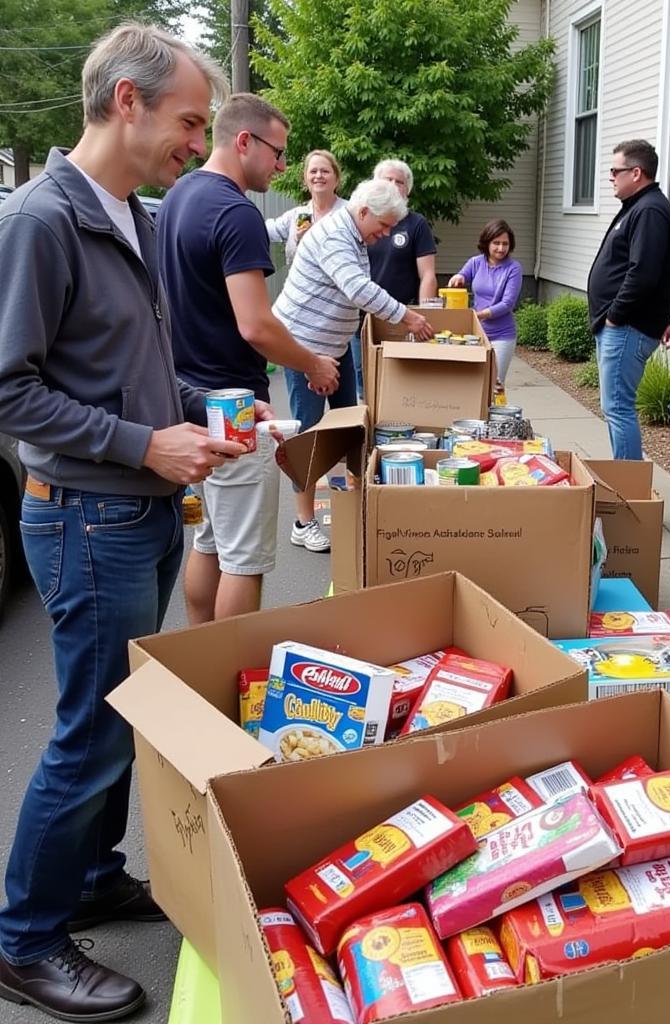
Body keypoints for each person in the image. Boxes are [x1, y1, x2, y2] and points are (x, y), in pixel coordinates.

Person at [0, 23, 252, 1022]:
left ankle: (94, 874)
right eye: (190, 120)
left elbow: (130, 371)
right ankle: (22, 937)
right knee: (90, 734)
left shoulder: (134, 216)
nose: (199, 140)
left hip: (136, 513)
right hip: (86, 519)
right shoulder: (41, 220)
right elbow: (10, 390)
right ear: (126, 102)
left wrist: (205, 412)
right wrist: (145, 445)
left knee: (119, 717)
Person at [158, 93, 340, 622]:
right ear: (244, 141)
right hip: (235, 407)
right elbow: (256, 325)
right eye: (278, 152)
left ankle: (200, 649)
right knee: (244, 559)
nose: (283, 166)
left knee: (211, 541)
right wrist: (312, 363)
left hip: (185, 398)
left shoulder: (177, 197)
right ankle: (232, 677)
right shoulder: (235, 212)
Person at [273, 178, 433, 548]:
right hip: (302, 347)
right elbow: (358, 289)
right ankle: (303, 522)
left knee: (351, 428)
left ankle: (357, 507)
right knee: (309, 437)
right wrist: (408, 317)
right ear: (363, 212)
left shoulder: (355, 234)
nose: (387, 233)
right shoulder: (334, 235)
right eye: (383, 225)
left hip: (333, 348)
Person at [587, 139, 670, 459]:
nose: (611, 177)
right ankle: (626, 480)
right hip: (623, 325)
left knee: (618, 408)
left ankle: (628, 490)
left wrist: (615, 316)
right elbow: (667, 269)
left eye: (615, 171)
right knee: (615, 407)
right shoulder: (640, 208)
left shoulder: (650, 211)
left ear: (636, 172)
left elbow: (644, 273)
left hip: (627, 326)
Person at [352, 158, 438, 400]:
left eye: (398, 181)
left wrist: (425, 314)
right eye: (387, 179)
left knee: (402, 380)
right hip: (361, 317)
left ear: (407, 189)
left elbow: (428, 274)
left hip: (403, 316)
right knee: (365, 381)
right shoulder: (359, 223)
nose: (392, 185)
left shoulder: (416, 224)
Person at [448, 219, 523, 393]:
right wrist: (458, 277)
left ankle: (496, 419)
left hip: (502, 336)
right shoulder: (476, 262)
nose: (501, 248)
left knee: (495, 386)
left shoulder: (514, 268)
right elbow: (462, 275)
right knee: (471, 383)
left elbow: (507, 303)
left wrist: (481, 314)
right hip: (476, 334)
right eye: (496, 243)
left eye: (505, 244)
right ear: (487, 243)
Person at [265, 149, 345, 266]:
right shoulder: (296, 216)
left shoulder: (350, 212)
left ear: (336, 178)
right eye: (313, 171)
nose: (318, 175)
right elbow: (262, 230)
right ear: (305, 179)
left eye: (325, 171)